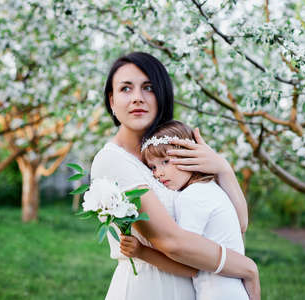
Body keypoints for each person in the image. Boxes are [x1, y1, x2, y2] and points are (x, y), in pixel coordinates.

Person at [90, 52, 260, 300]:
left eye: (148, 88)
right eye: (126, 88)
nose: (137, 97)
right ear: (112, 101)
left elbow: (239, 223)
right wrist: (247, 268)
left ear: (162, 95)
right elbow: (171, 241)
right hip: (148, 288)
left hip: (196, 288)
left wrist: (223, 169)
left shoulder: (174, 152)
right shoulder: (112, 161)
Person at [120, 120, 252, 299]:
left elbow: (187, 264)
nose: (158, 173)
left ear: (190, 156)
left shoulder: (193, 197)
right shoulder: (210, 188)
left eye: (165, 161)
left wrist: (142, 252)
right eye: (153, 167)